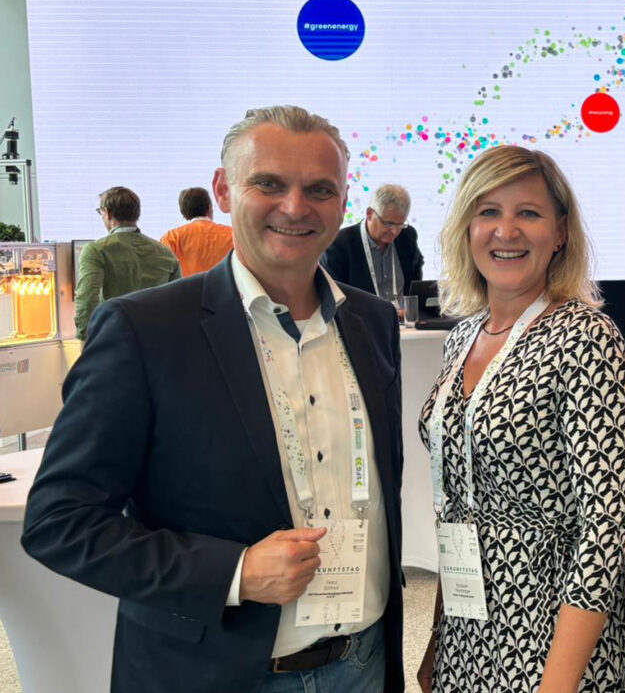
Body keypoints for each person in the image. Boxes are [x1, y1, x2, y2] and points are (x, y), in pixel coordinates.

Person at [22, 105, 407, 693]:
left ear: (344, 201)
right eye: (269, 183)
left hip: (364, 663)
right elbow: (59, 521)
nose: (296, 207)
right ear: (224, 190)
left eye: (319, 189)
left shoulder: (372, 322)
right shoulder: (143, 330)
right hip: (214, 675)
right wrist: (234, 571)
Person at [416, 145, 625, 692]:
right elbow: (461, 500)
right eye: (487, 212)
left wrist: (557, 684)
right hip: (469, 629)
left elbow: (603, 532)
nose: (506, 230)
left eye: (528, 213)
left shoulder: (588, 339)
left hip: (552, 632)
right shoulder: (463, 337)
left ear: (560, 231)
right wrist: (439, 637)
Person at [74, 186, 181, 339]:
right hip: (157, 340)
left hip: (115, 338)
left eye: (101, 213)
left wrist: (86, 336)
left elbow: (87, 299)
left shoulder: (96, 251)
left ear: (108, 213)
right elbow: (178, 303)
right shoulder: (165, 253)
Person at [323, 183, 425, 307]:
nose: (394, 231)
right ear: (370, 214)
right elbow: (337, 301)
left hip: (405, 324)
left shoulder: (407, 236)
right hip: (361, 323)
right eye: (388, 223)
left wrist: (411, 311)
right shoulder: (338, 245)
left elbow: (416, 286)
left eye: (400, 224)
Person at [161, 185, 236, 276]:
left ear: (183, 212)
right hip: (224, 289)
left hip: (186, 289)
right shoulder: (232, 234)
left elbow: (163, 272)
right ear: (209, 208)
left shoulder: (172, 238)